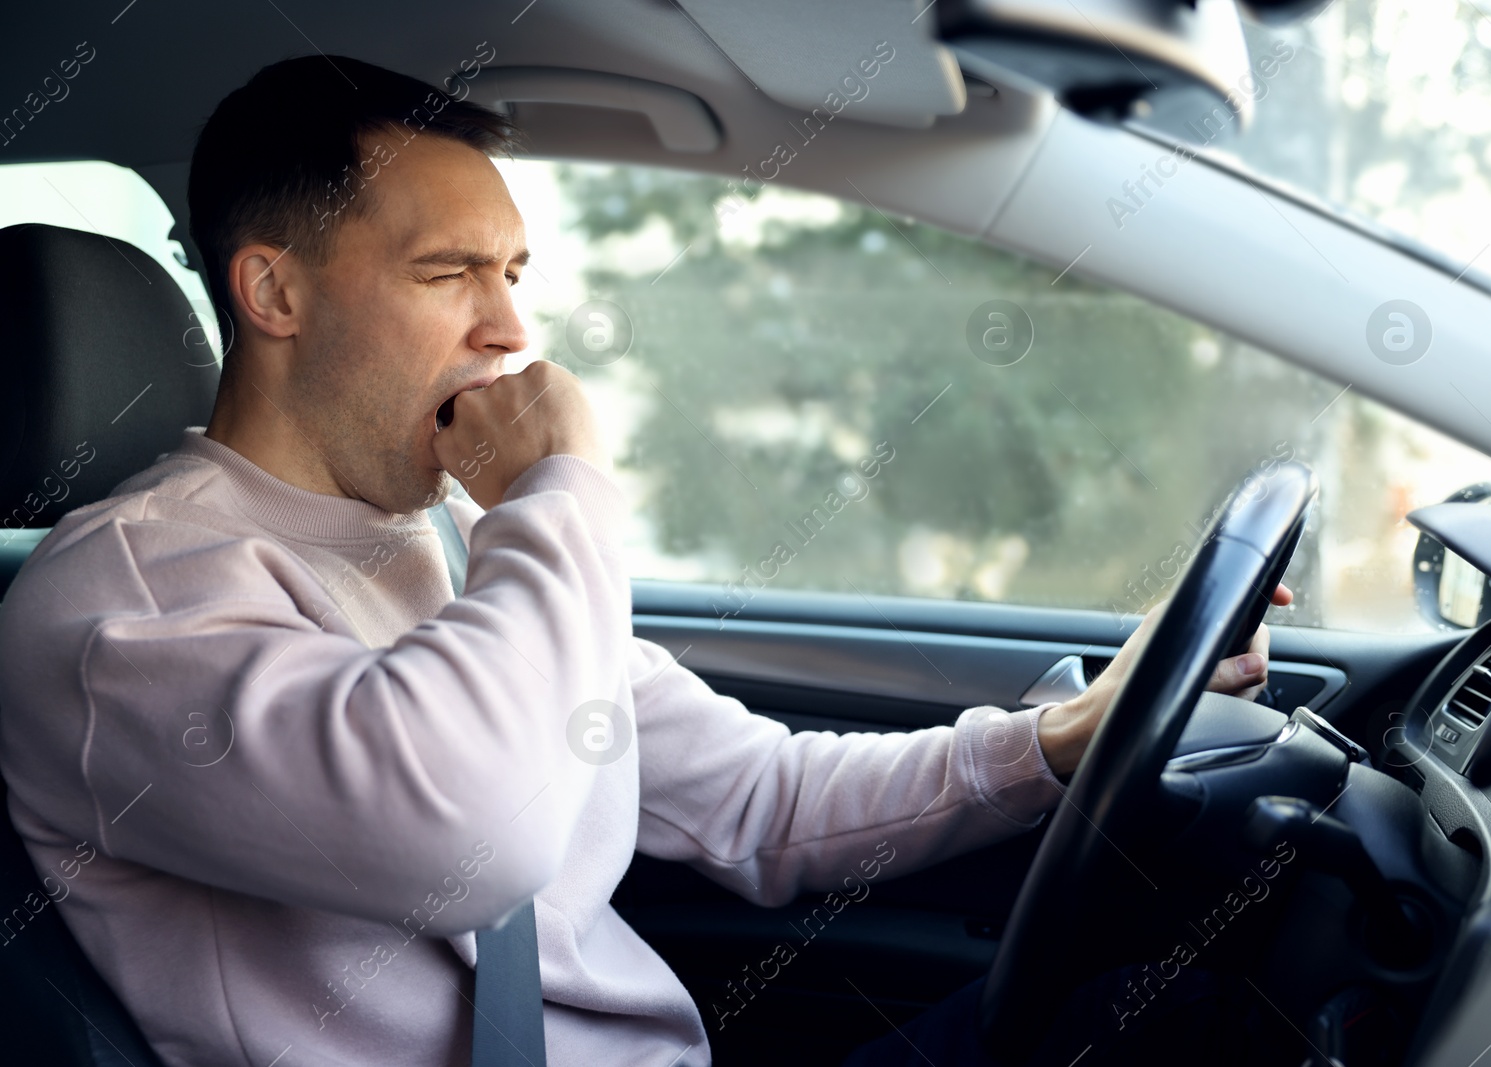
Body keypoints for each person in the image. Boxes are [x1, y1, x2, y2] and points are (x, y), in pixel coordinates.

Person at [0, 56, 1287, 1067]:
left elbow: (759, 799)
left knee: (1191, 1014)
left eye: (512, 270)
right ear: (273, 296)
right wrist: (557, 491)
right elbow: (477, 835)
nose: (509, 328)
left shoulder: (444, 536)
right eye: (448, 273)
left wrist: (1066, 734)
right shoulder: (123, 606)